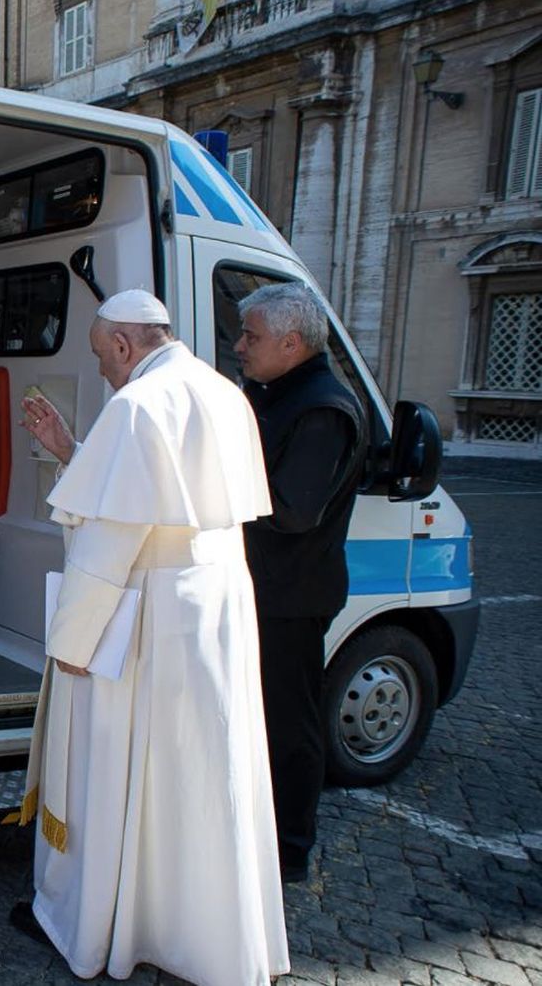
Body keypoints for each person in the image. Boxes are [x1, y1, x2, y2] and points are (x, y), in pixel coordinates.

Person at [15, 289, 289, 985]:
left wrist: (71, 642)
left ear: (122, 345)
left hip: (145, 617)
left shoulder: (137, 405)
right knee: (192, 774)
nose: (105, 372)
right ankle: (195, 933)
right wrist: (72, 449)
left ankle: (96, 925)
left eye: (102, 357)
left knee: (116, 772)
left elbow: (108, 542)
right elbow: (153, 496)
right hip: (213, 611)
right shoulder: (223, 392)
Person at [234, 282, 366, 884]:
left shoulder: (322, 407)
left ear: (291, 343)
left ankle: (289, 850)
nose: (240, 346)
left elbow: (293, 509)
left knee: (289, 725)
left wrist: (216, 487)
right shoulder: (273, 390)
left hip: (289, 597)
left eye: (251, 337)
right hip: (259, 588)